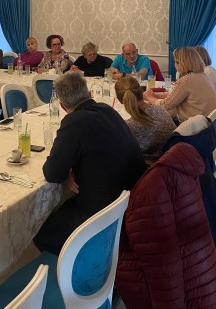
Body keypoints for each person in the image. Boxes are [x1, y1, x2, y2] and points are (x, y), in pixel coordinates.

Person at [33, 73, 146, 255]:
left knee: (36, 228)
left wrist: (67, 166)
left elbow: (53, 173)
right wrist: (71, 166)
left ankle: (78, 264)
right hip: (132, 202)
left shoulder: (74, 122)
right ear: (90, 94)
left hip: (102, 216)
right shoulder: (108, 110)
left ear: (62, 106)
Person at [144, 46, 216, 123]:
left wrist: (148, 97)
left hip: (193, 126)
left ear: (182, 63)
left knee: (152, 115)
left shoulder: (187, 80)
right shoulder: (202, 75)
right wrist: (154, 95)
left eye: (176, 62)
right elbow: (176, 96)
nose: (175, 65)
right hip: (207, 123)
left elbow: (165, 105)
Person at [115, 76, 175, 161]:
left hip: (150, 164)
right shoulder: (160, 109)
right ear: (141, 92)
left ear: (120, 100)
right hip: (172, 157)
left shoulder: (129, 126)